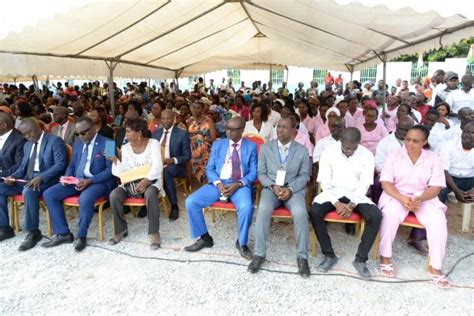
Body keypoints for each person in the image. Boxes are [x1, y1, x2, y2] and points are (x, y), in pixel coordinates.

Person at [378, 125, 450, 289]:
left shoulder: (433, 159)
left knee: (438, 220)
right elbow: (386, 183)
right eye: (408, 139)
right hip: (397, 195)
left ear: (424, 142)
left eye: (415, 141)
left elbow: (436, 187)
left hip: (423, 197)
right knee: (389, 215)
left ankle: (435, 266)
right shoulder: (394, 155)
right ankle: (385, 257)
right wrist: (402, 198)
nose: (410, 143)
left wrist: (419, 198)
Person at [310, 128, 381, 278]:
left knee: (375, 216)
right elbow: (325, 181)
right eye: (347, 147)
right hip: (332, 192)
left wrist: (352, 204)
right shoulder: (329, 152)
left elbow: (364, 184)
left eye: (354, 148)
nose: (350, 151)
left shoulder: (366, 155)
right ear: (341, 141)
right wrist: (336, 203)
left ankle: (361, 259)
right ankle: (329, 255)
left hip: (355, 193)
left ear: (359, 143)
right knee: (315, 211)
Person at [184, 117, 257, 259]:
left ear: (242, 130)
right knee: (191, 201)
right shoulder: (218, 145)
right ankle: (205, 238)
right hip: (218, 183)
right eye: (227, 128)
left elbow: (254, 172)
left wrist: (239, 184)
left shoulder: (250, 146)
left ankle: (242, 243)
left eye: (232, 129)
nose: (228, 132)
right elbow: (210, 168)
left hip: (239, 185)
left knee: (246, 207)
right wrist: (218, 183)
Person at [248, 116, 311, 277]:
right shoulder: (266, 148)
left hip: (293, 190)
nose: (280, 130)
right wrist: (272, 186)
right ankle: (259, 254)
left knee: (300, 213)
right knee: (262, 209)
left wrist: (290, 189)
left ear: (293, 131)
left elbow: (305, 176)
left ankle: (302, 257)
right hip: (271, 188)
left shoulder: (302, 150)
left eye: (284, 127)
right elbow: (261, 173)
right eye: (278, 127)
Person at [42, 117, 116, 251]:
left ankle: (81, 236)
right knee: (49, 194)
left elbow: (111, 171)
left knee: (85, 198)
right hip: (77, 180)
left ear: (93, 128)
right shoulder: (77, 144)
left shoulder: (109, 143)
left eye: (83, 133)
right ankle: (63, 233)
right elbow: (73, 164)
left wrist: (90, 181)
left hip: (98, 182)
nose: (81, 136)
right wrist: (67, 177)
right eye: (77, 133)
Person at [0, 118, 67, 250]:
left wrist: (41, 177)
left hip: (47, 179)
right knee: (1, 188)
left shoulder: (54, 141)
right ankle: (4, 228)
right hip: (27, 178)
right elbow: (23, 166)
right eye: (23, 134)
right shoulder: (27, 144)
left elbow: (60, 164)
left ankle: (33, 232)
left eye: (28, 133)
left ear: (37, 128)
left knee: (28, 191)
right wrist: (13, 176)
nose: (26, 137)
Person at [108, 118, 163, 250]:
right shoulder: (126, 148)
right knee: (114, 195)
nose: (125, 135)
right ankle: (120, 230)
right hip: (132, 183)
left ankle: (154, 232)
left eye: (128, 132)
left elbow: (158, 166)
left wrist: (146, 180)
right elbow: (124, 171)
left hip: (151, 180)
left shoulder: (153, 143)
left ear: (139, 133)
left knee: (150, 193)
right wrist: (115, 160)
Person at [152, 110, 191, 221]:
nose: (165, 121)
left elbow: (187, 156)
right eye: (163, 118)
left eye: (168, 118)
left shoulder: (182, 134)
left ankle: (174, 206)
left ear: (174, 119)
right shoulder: (156, 133)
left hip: (176, 166)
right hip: (158, 164)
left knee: (166, 172)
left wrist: (172, 160)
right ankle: (146, 203)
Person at [437, 121, 474, 204]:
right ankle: (438, 215)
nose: (468, 135)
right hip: (449, 178)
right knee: (439, 191)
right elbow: (444, 170)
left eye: (473, 133)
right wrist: (457, 191)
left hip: (470, 179)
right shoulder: (448, 145)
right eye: (466, 131)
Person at [187, 102, 216, 183]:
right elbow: (188, 135)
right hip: (193, 150)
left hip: (204, 150)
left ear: (202, 109)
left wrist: (201, 138)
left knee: (205, 171)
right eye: (194, 108)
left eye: (198, 108)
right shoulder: (190, 120)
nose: (196, 110)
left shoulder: (208, 120)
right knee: (196, 169)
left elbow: (213, 138)